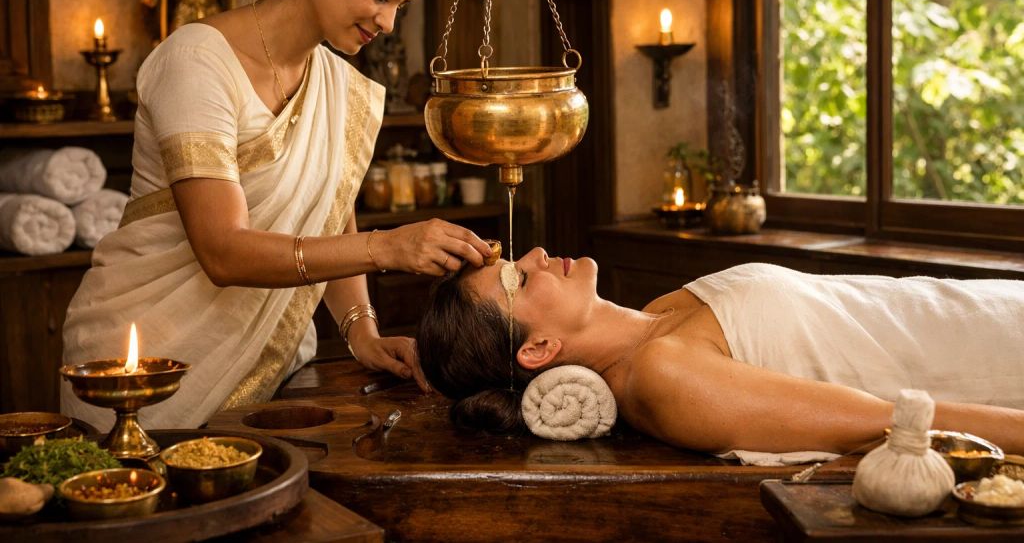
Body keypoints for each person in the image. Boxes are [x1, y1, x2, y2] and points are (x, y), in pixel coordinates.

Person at [62, 0, 490, 430]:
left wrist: (362, 331)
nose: (388, 23)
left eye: (400, 6)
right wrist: (388, 247)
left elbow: (331, 206)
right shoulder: (196, 62)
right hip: (146, 365)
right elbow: (223, 252)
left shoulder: (340, 85)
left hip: (274, 368)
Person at [417, 249, 1024, 456]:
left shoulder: (660, 314)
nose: (536, 258)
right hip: (997, 364)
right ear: (539, 349)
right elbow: (898, 425)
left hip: (983, 309)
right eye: (518, 281)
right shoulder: (663, 375)